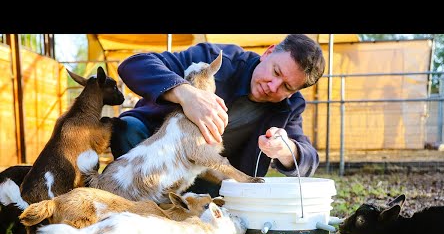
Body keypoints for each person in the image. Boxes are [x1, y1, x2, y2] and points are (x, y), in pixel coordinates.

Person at [111, 34, 326, 197]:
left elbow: (309, 160)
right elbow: (134, 64)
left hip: (208, 177)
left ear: (294, 91)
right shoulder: (213, 59)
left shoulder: (290, 107)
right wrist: (186, 94)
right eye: (276, 72)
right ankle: (135, 201)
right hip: (154, 157)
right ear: (268, 53)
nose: (272, 86)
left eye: (286, 86)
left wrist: (287, 150)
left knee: (218, 188)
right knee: (127, 128)